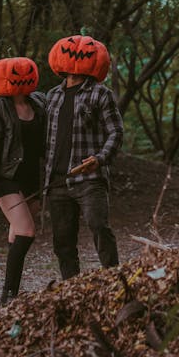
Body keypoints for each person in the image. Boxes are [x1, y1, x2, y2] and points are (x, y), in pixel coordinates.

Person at [44, 34, 124, 279]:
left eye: (86, 50)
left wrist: (100, 158)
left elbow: (116, 132)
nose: (77, 52)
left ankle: (113, 278)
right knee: (63, 241)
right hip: (57, 180)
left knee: (99, 226)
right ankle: (72, 286)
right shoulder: (52, 96)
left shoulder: (101, 94)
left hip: (89, 178)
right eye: (70, 48)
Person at [0, 57, 46, 305]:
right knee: (27, 232)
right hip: (6, 177)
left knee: (16, 234)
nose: (23, 75)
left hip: (32, 177)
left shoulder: (39, 103)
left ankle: (10, 293)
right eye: (16, 73)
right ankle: (8, 296)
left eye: (28, 71)